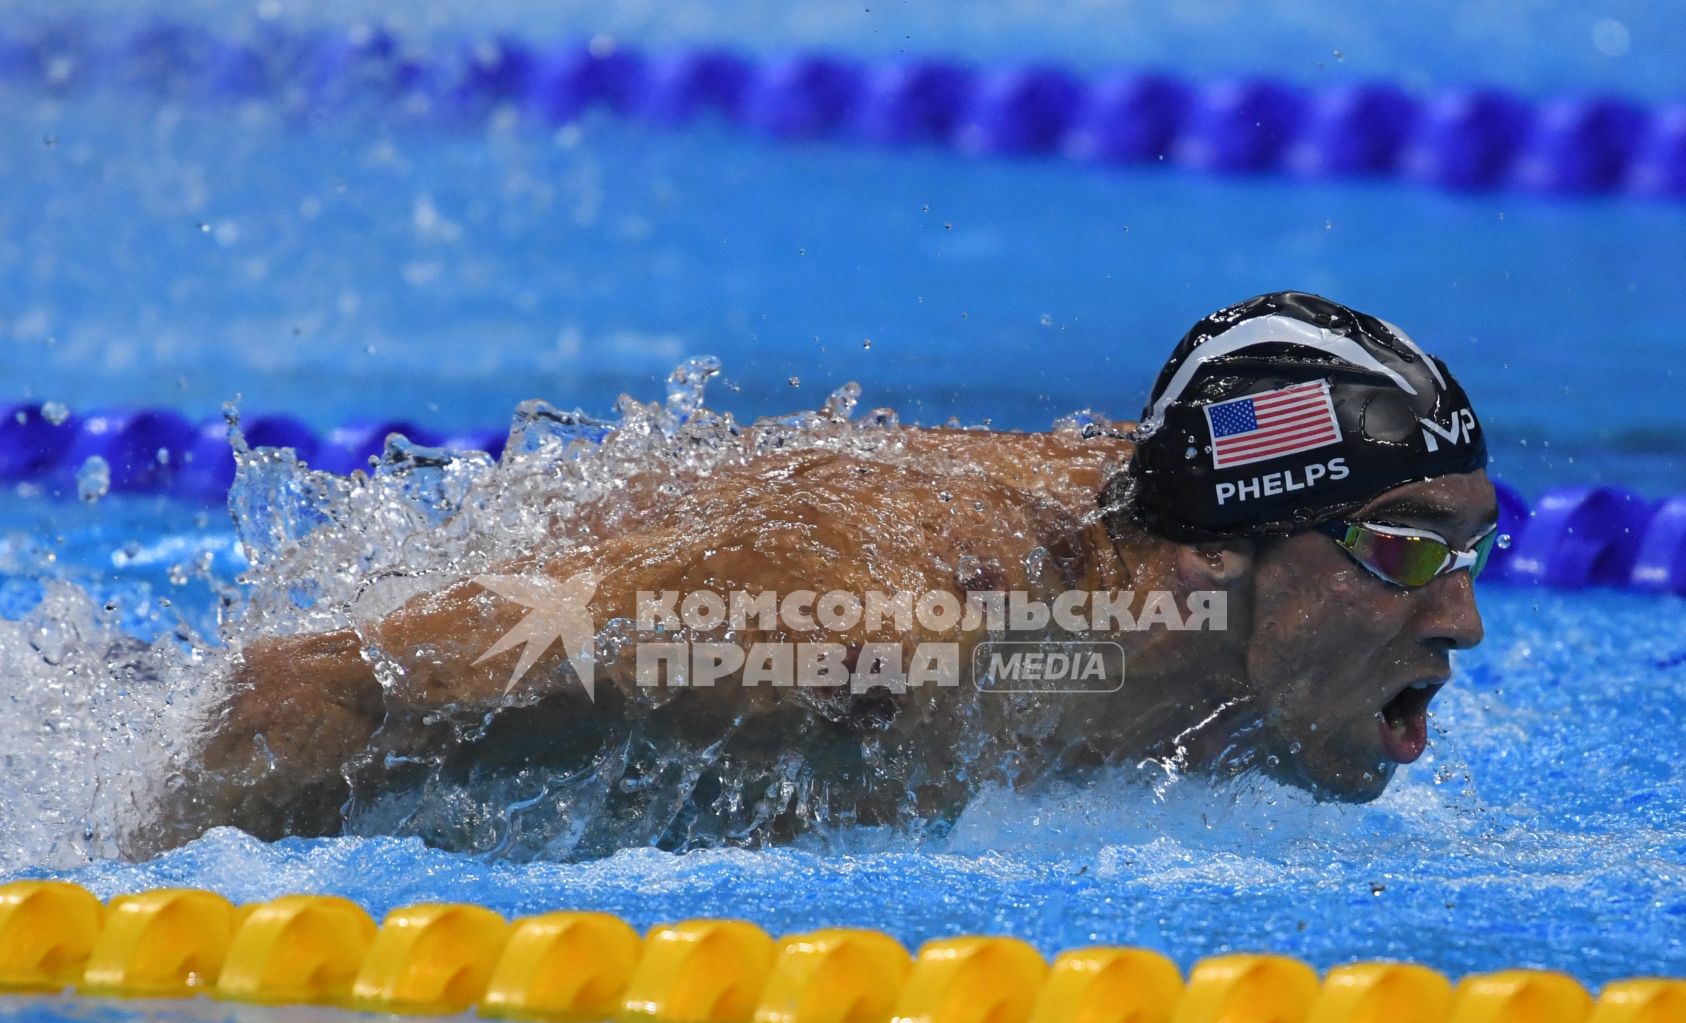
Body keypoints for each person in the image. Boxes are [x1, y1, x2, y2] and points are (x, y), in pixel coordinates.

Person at [135, 291, 1498, 856]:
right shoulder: (854, 638)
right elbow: (314, 688)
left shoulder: (1219, 647)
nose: (1465, 621)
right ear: (1217, 554)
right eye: (1401, 551)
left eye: (1473, 549)